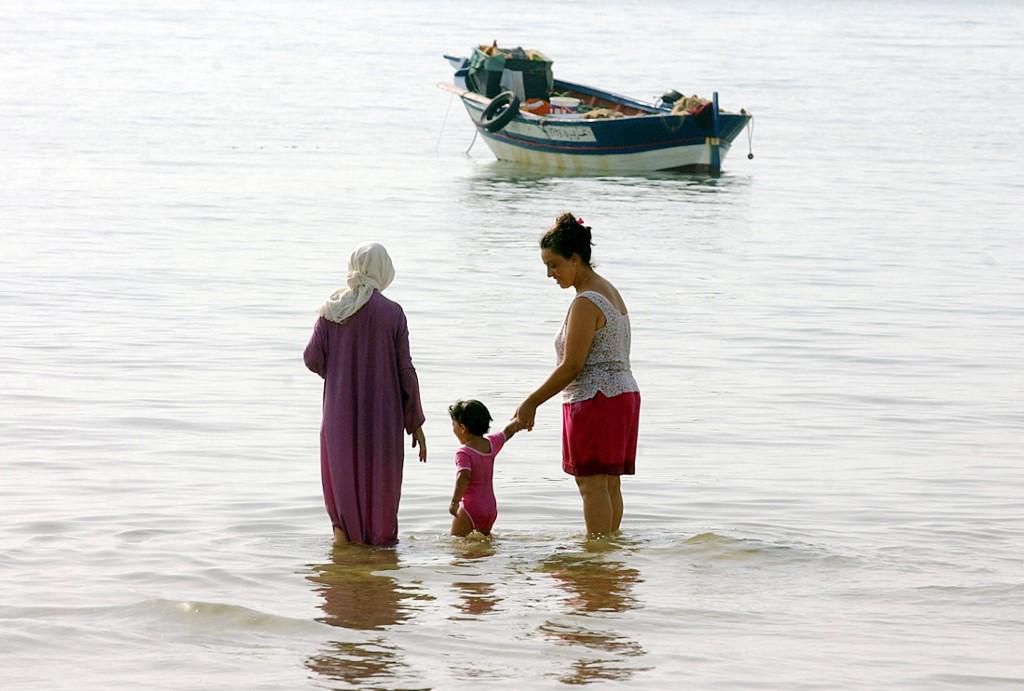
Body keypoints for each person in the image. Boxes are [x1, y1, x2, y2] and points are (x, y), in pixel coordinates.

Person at [514, 213, 641, 537]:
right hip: (621, 394)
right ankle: (607, 555)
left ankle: (597, 558)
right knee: (607, 483)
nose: (549, 274)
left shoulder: (586, 302)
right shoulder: (609, 289)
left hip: (596, 398)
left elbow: (572, 365)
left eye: (554, 265)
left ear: (576, 259)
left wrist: (531, 402)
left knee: (592, 484)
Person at [303, 242, 426, 546]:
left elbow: (311, 357)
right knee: (381, 491)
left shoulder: (331, 311)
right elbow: (405, 371)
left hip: (339, 416)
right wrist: (416, 422)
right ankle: (380, 575)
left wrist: (341, 375)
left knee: (343, 494)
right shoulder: (392, 313)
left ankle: (346, 575)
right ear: (383, 270)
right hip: (383, 418)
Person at [447, 399, 520, 537]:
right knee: (483, 546)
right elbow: (508, 431)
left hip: (471, 508)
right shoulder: (491, 443)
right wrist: (519, 420)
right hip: (490, 508)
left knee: (457, 547)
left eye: (453, 424)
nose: (453, 429)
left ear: (462, 428)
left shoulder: (463, 452)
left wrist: (454, 502)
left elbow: (464, 476)